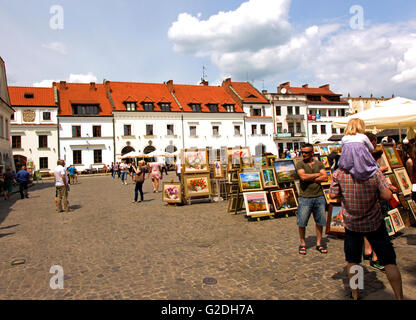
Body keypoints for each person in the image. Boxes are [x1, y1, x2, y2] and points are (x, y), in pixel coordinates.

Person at [329, 158, 403, 300]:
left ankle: (356, 294)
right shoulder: (374, 172)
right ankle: (399, 297)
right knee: (389, 261)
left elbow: (332, 194)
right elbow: (387, 195)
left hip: (352, 224)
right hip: (374, 222)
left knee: (354, 260)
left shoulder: (340, 173)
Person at [295, 143, 329, 255]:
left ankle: (319, 243)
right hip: (305, 197)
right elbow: (303, 177)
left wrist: (311, 177)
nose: (303, 154)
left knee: (320, 221)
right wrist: (317, 175)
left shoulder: (319, 164)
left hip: (319, 196)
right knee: (302, 222)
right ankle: (303, 243)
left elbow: (325, 177)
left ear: (312, 153)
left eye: (306, 152)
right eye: (302, 152)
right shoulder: (300, 164)